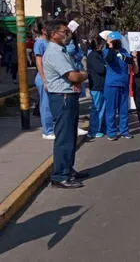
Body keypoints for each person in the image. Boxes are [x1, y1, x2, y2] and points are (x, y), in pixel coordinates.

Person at [43, 19, 89, 189]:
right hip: (62, 98)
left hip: (69, 96)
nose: (67, 34)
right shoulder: (54, 53)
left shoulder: (61, 51)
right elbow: (73, 76)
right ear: (54, 34)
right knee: (64, 138)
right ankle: (60, 175)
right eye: (64, 31)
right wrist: (84, 75)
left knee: (70, 136)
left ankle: (68, 169)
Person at [103, 31, 134, 140]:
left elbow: (130, 61)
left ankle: (124, 131)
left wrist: (121, 54)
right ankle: (111, 132)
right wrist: (111, 47)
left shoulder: (124, 51)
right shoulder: (107, 51)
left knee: (123, 109)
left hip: (123, 83)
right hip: (111, 84)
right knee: (111, 109)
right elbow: (109, 59)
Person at [33, 21, 55, 140]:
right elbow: (38, 62)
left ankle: (53, 128)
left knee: (52, 104)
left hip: (51, 77)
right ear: (43, 31)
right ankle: (47, 131)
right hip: (44, 78)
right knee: (46, 104)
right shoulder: (39, 43)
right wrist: (44, 79)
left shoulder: (49, 42)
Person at [86, 37, 107, 139]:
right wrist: (106, 66)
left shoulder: (99, 55)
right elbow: (101, 69)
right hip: (96, 86)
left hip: (101, 85)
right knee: (97, 109)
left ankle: (101, 128)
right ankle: (94, 130)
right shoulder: (93, 56)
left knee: (102, 108)